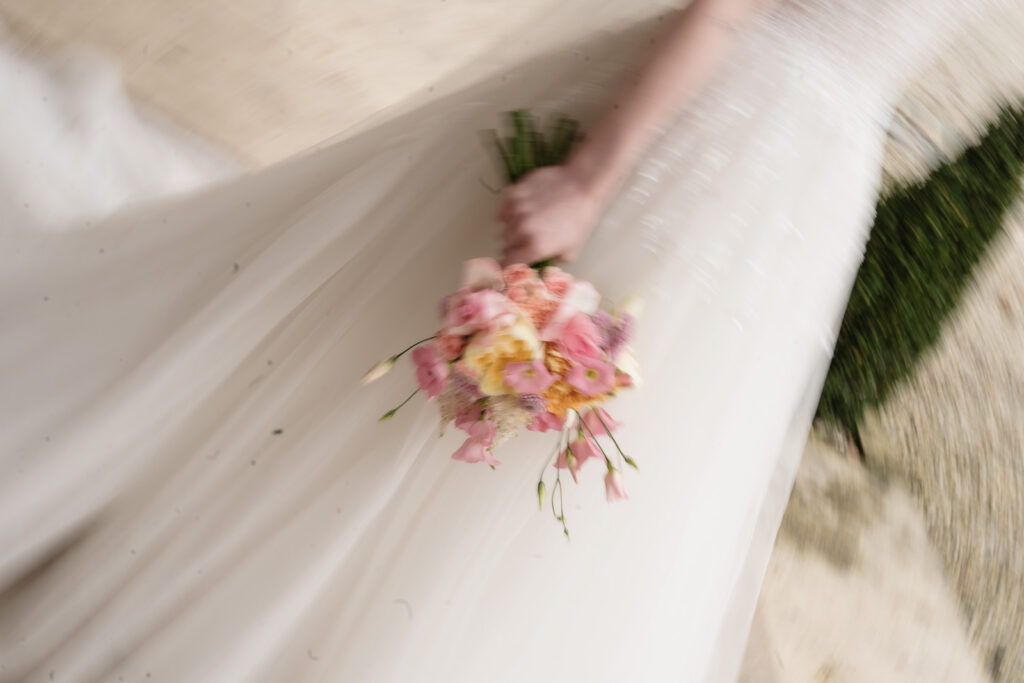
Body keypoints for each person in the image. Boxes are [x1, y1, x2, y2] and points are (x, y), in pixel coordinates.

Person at [0, 0, 1004, 681]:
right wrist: (590, 181)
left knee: (612, 451)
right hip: (703, 132)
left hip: (792, 189)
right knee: (466, 387)